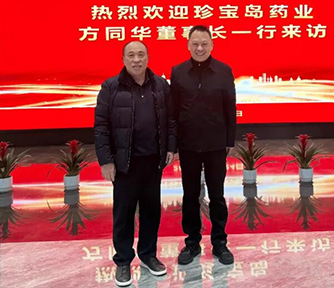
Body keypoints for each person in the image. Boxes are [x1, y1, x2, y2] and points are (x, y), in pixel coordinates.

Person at [94, 41, 176, 287]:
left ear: (148, 57)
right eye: (131, 55)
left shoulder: (160, 85)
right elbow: (101, 126)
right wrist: (106, 161)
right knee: (124, 213)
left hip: (153, 161)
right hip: (124, 164)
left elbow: (171, 120)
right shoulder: (111, 87)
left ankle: (148, 255)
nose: (136, 59)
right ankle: (123, 261)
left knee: (151, 211)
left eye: (141, 54)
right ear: (123, 59)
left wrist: (171, 147)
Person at [171, 25, 237, 266]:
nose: (200, 48)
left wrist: (229, 140)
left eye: (204, 44)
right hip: (188, 144)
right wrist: (173, 144)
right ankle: (191, 242)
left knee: (217, 195)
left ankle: (219, 242)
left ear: (212, 45)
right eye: (195, 44)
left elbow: (230, 107)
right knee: (190, 195)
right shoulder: (178, 72)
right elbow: (173, 111)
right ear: (188, 45)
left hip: (215, 144)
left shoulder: (224, 71)